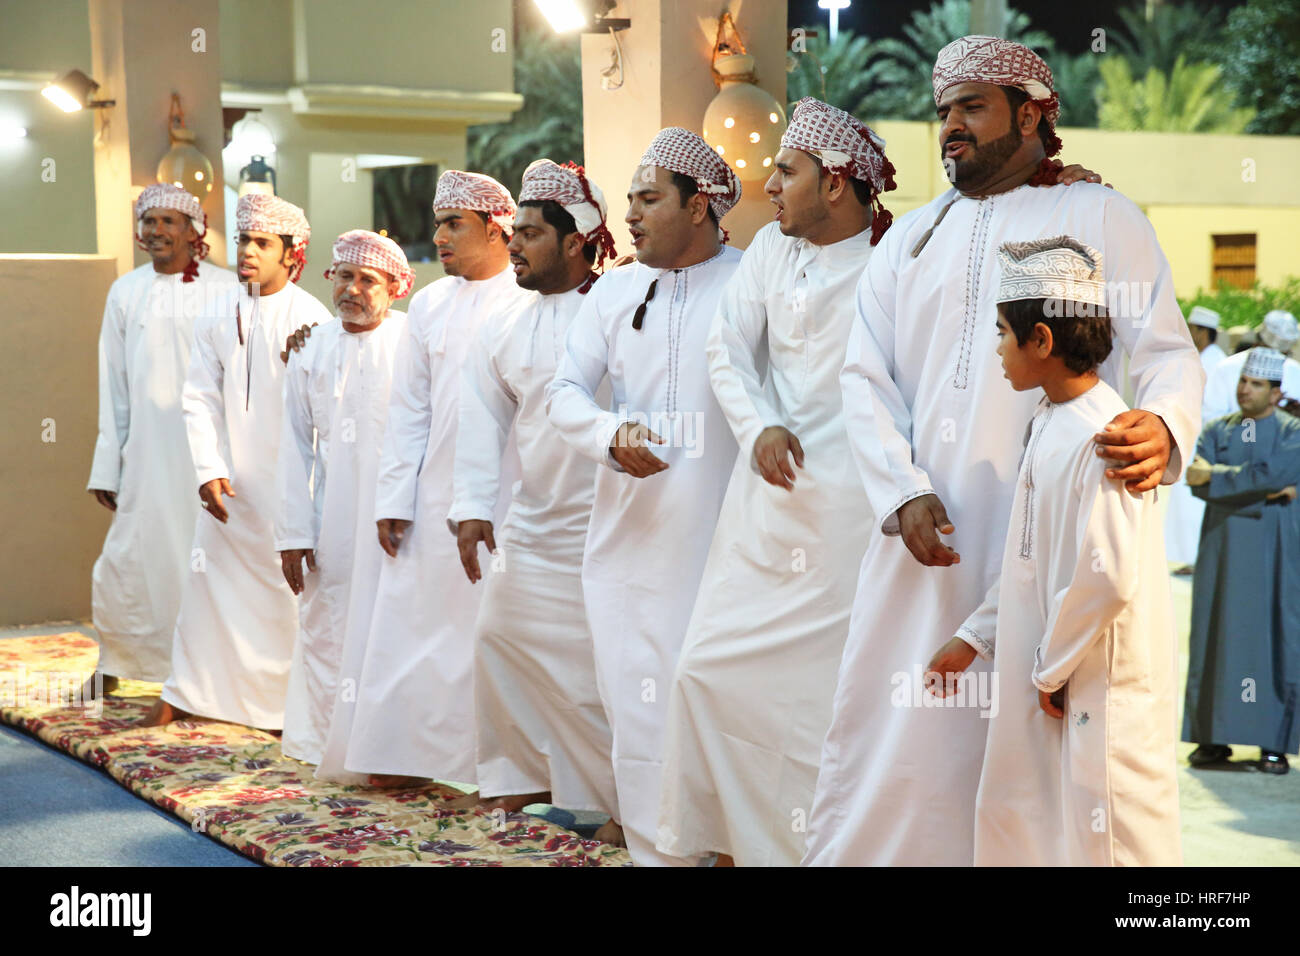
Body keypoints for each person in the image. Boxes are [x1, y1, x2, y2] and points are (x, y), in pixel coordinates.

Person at [803, 35, 1204, 867]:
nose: (950, 126)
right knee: (907, 731)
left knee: (1047, 755)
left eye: (972, 107)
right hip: (929, 536)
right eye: (943, 111)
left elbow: (1166, 352)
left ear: (1031, 114)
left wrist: (1163, 423)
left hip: (1059, 520)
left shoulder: (1101, 215)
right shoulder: (909, 240)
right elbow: (862, 376)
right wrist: (901, 490)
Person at [655, 98, 896, 868]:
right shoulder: (768, 250)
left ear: (834, 183)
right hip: (767, 498)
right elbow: (727, 348)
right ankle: (726, 841)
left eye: (785, 170)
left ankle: (801, 850)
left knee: (820, 705)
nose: (770, 182)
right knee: (708, 673)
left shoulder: (896, 257)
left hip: (852, 513)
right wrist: (756, 425)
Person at [927, 236, 1181, 865]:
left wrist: (1051, 667)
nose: (995, 349)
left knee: (1115, 842)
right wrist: (975, 638)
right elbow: (1028, 560)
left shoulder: (1106, 432)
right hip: (1055, 671)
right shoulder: (1048, 420)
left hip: (1096, 681)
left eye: (1001, 332)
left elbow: (1109, 577)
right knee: (1037, 828)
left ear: (1040, 340)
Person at [545, 127, 742, 864]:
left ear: (699, 208)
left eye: (648, 197)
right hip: (627, 542)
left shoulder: (751, 281)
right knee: (635, 703)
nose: (629, 212)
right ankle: (657, 854)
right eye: (628, 198)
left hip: (723, 541)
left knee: (712, 701)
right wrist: (608, 433)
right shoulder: (618, 289)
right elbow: (563, 391)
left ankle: (721, 846)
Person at [340, 171, 527, 790]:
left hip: (506, 489)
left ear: (498, 229)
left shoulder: (525, 296)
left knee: (483, 630)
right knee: (412, 625)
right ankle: (406, 759)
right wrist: (395, 497)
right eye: (437, 223)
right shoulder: (429, 304)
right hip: (430, 491)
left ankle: (486, 772)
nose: (439, 236)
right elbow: (410, 408)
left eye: (455, 224)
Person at [452, 159, 619, 825]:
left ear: (575, 241)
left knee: (587, 675)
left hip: (608, 524)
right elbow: (482, 416)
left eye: (528, 233)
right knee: (499, 637)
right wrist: (470, 508)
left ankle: (614, 799)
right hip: (534, 519)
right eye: (512, 230)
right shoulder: (504, 319)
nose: (513, 243)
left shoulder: (619, 307)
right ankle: (519, 776)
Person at [145, 195, 332, 728]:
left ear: (291, 254)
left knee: (285, 599)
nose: (247, 251)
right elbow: (198, 396)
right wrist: (208, 468)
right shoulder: (217, 311)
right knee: (208, 589)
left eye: (262, 243)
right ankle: (189, 696)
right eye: (244, 240)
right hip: (229, 486)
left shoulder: (311, 318)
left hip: (289, 488)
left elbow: (322, 416)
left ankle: (283, 712)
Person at [87, 183, 237, 691]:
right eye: (149, 222)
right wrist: (109, 463)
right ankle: (119, 661)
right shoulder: (125, 291)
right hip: (146, 457)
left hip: (207, 456)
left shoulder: (225, 290)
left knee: (201, 559)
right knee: (129, 557)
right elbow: (115, 385)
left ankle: (202, 671)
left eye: (169, 222)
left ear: (194, 231)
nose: (156, 232)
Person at [274, 231, 412, 772]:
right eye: (343, 277)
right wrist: (292, 533)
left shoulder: (412, 343)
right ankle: (326, 746)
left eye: (368, 280)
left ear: (397, 288)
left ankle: (392, 754)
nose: (352, 289)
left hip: (402, 521)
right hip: (332, 523)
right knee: (328, 628)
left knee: (393, 633)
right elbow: (292, 448)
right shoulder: (309, 347)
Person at [1183, 346, 1300, 775]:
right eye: (1243, 382)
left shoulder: (1292, 432)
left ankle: (1274, 743)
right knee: (1217, 635)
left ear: (1275, 393)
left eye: (1255, 385)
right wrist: (1258, 489)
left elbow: (1272, 474)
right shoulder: (1217, 429)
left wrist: (1219, 479)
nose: (1245, 390)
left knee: (1274, 638)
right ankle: (1211, 739)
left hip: (1275, 549)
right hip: (1222, 546)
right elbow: (1195, 480)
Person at [1165, 306, 1228, 573]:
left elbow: (1217, 407)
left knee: (1195, 504)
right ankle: (1194, 559)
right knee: (1186, 503)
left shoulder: (1216, 362)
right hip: (1192, 436)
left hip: (1207, 440)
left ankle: (1199, 560)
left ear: (1203, 331)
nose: (1189, 333)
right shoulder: (1200, 358)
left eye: (1192, 329)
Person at [1203, 311, 1300, 419]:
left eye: (1282, 355)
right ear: (1259, 343)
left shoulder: (1296, 371)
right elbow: (1209, 419)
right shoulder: (1227, 368)